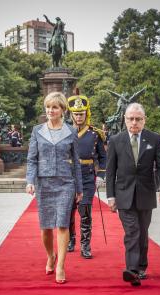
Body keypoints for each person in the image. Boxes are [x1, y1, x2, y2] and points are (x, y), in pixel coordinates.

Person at [106, 103, 160, 286]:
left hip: (146, 194)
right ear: (125, 119)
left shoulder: (154, 139)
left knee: (142, 232)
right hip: (123, 194)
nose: (134, 122)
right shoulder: (116, 140)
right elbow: (110, 171)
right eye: (130, 119)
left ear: (144, 120)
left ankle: (141, 266)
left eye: (138, 119)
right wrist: (110, 196)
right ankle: (132, 270)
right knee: (132, 231)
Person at [26, 92, 83, 284]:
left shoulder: (71, 131)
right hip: (44, 183)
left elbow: (76, 161)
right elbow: (32, 158)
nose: (50, 110)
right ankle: (50, 255)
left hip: (66, 182)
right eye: (48, 107)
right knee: (45, 227)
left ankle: (60, 265)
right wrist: (30, 181)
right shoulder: (37, 131)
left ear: (62, 110)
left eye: (55, 107)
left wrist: (79, 187)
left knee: (62, 224)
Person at [66, 93, 106, 258]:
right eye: (76, 114)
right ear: (71, 114)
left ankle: (85, 245)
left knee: (85, 212)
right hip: (68, 177)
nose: (78, 117)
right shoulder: (65, 132)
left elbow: (103, 158)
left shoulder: (95, 134)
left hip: (88, 177)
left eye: (81, 113)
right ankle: (70, 239)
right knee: (68, 212)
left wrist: (101, 176)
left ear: (86, 113)